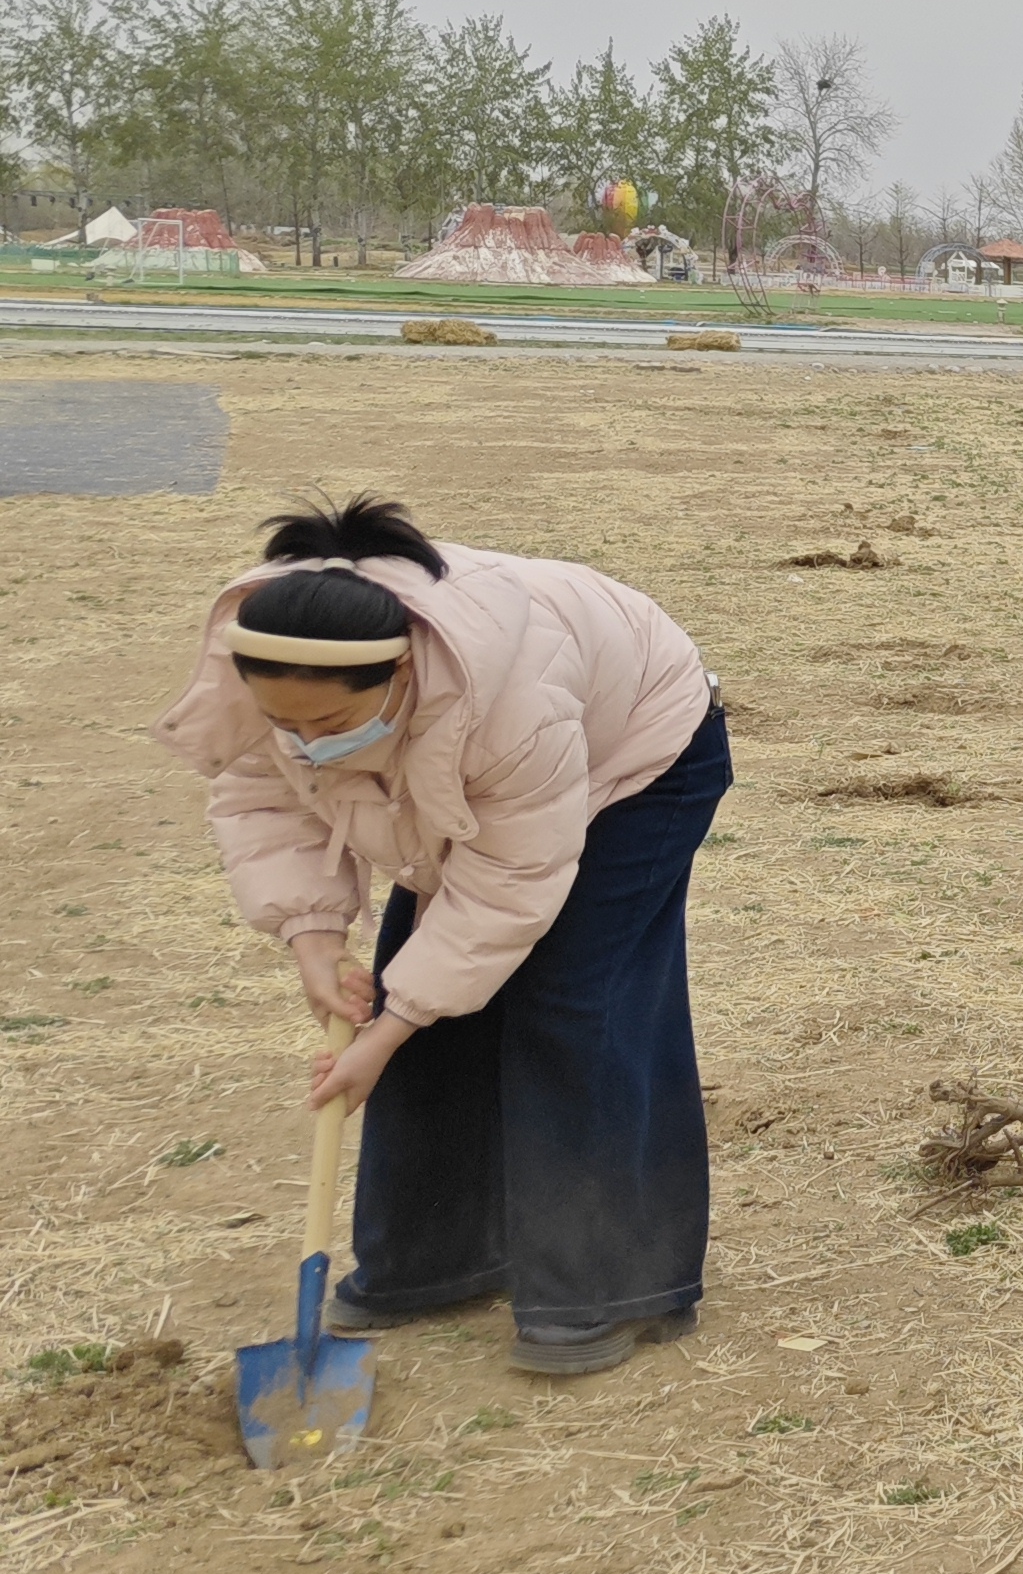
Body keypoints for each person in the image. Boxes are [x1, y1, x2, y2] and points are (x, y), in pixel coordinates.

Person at [155, 495, 727, 1375]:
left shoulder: (512, 704)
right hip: (476, 784)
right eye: (286, 726)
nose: (306, 746)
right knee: (417, 992)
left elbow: (506, 887)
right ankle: (435, 1261)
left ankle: (611, 1283)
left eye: (334, 728)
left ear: (401, 678)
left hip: (637, 757)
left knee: (572, 1000)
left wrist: (387, 1033)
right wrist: (313, 939)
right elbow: (266, 803)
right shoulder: (276, 677)